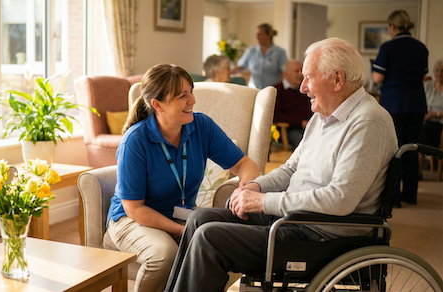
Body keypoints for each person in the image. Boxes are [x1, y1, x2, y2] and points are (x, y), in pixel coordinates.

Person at [164, 37, 398, 292]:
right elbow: (290, 169)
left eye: (308, 77)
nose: (302, 87)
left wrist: (264, 202)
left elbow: (340, 199)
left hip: (321, 236)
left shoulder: (367, 122)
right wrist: (254, 186)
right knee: (200, 219)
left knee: (210, 239)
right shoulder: (323, 117)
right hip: (291, 220)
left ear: (337, 79)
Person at [105, 63, 259, 292]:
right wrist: (181, 230)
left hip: (180, 214)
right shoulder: (135, 141)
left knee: (233, 244)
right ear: (157, 105)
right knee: (165, 254)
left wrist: (246, 187)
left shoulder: (201, 125)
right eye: (182, 96)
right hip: (131, 219)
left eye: (191, 92)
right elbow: (135, 209)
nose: (192, 101)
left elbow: (245, 164)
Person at [372, 9, 428, 207]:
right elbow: (422, 76)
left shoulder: (388, 47)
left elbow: (377, 77)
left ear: (392, 26)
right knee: (411, 148)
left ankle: (393, 197)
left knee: (393, 150)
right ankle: (410, 194)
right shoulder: (421, 48)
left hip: (394, 103)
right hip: (417, 103)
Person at [233, 23, 287, 89]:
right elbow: (240, 67)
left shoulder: (280, 52)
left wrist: (279, 89)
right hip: (254, 89)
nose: (257, 37)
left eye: (260, 34)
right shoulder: (251, 50)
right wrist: (227, 71)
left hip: (272, 90)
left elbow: (284, 73)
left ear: (269, 35)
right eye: (256, 34)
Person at [273, 59, 313, 149]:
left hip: (310, 125)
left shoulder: (305, 89)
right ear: (286, 74)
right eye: (296, 71)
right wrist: (300, 123)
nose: (300, 74)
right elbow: (276, 116)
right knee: (303, 142)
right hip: (289, 129)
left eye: (301, 71)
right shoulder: (277, 90)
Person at [418, 60, 443, 179]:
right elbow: (418, 100)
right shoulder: (427, 85)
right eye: (437, 70)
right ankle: (413, 171)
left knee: (423, 133)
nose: (439, 73)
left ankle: (417, 173)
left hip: (439, 124)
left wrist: (435, 114)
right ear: (433, 72)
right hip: (423, 120)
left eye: (442, 71)